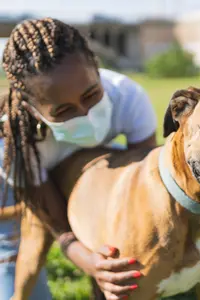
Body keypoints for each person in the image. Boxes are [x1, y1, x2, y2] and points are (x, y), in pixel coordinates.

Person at [0, 17, 157, 300]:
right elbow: (51, 216)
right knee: (17, 252)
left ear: (97, 68)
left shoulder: (129, 98)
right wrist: (82, 255)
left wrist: (103, 259)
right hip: (30, 178)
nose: (85, 113)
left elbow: (142, 184)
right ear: (32, 109)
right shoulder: (18, 143)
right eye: (63, 111)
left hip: (88, 167)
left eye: (91, 94)